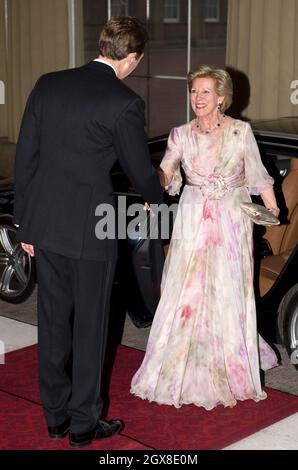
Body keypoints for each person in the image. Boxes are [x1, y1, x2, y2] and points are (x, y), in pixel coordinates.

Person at [14, 16, 163, 447]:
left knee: (53, 321)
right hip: (91, 231)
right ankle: (83, 424)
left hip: (44, 224)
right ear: (132, 58)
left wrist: (25, 222)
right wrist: (161, 195)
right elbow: (139, 172)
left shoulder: (48, 83)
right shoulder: (123, 102)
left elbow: (26, 157)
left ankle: (55, 417)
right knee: (91, 326)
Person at [131, 64, 279, 410]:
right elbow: (167, 170)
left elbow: (258, 175)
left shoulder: (241, 132)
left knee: (227, 289)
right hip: (193, 215)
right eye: (194, 91)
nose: (198, 98)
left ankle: (230, 367)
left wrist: (272, 210)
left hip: (231, 219)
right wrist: (156, 190)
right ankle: (182, 362)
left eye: (205, 92)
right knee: (187, 289)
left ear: (221, 98)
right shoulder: (180, 134)